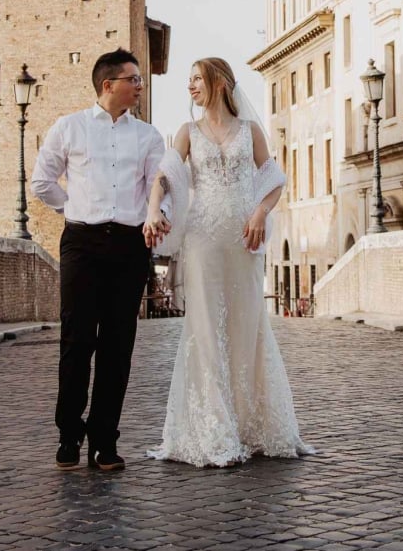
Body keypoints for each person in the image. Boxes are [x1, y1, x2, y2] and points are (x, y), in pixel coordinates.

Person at [143, 57, 312, 467]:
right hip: (202, 241)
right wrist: (153, 210)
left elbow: (273, 181)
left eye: (196, 78)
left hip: (242, 243)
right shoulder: (188, 133)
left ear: (219, 82)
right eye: (189, 80)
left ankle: (251, 424)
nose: (190, 87)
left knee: (245, 324)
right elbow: (164, 176)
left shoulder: (250, 132)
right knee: (204, 327)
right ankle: (213, 428)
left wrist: (259, 213)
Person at [31, 48, 165, 472]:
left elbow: (161, 189)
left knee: (118, 346)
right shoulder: (68, 128)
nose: (140, 86)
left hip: (129, 245)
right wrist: (75, 208)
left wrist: (156, 215)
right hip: (82, 243)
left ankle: (105, 441)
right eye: (134, 79)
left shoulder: (148, 136)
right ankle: (68, 435)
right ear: (109, 85)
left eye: (140, 80)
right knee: (76, 340)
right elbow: (42, 181)